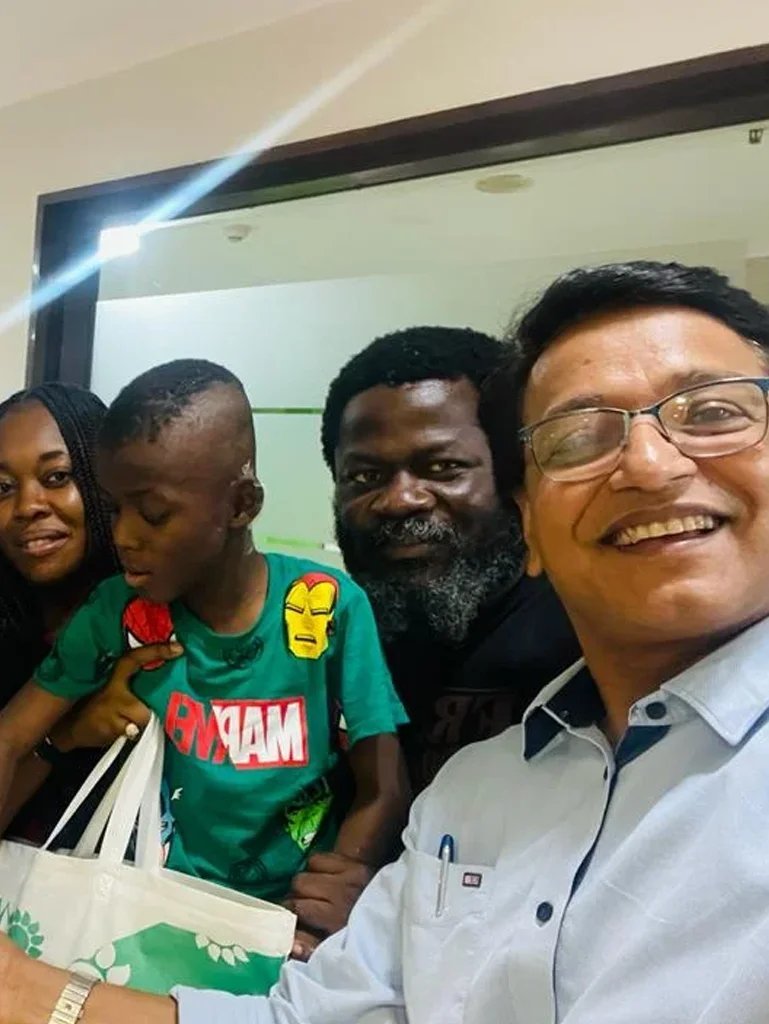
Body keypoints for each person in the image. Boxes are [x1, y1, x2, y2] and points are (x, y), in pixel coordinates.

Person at [8, 260, 769, 1022]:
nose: (648, 464)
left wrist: (358, 874)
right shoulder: (477, 786)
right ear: (532, 516)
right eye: (365, 476)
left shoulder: (331, 612)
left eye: (711, 413)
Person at [0, 359, 409, 961]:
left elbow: (384, 783)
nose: (124, 536)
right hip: (153, 921)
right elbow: (11, 736)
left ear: (241, 504)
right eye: (113, 510)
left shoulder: (325, 607)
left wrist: (334, 892)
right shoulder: (117, 611)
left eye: (152, 514)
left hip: (287, 932)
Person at [322, 326, 580, 791]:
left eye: (443, 468)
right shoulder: (324, 640)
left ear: (515, 474)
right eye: (365, 476)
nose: (400, 500)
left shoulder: (590, 634)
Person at [0, 382, 153, 844]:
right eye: (3, 487)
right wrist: (64, 736)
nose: (27, 507)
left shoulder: (159, 623)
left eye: (56, 477)